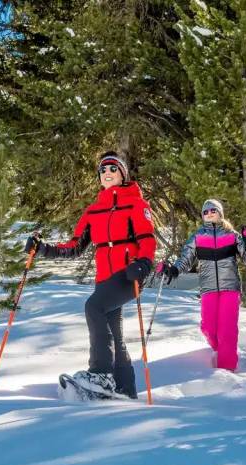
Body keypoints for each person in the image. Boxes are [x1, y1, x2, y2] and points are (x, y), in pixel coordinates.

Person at [24, 151, 156, 398]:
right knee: (114, 331)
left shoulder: (136, 204)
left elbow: (147, 239)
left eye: (113, 169)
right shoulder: (93, 211)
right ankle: (125, 388)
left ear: (123, 174)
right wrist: (41, 248)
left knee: (93, 307)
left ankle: (101, 373)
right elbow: (73, 247)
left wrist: (144, 263)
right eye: (103, 170)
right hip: (104, 278)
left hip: (128, 275)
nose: (107, 173)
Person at [157, 199, 246, 371]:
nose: (209, 213)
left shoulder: (232, 235)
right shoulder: (197, 237)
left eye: (213, 210)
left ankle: (227, 369)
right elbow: (185, 260)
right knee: (209, 327)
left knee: (227, 330)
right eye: (206, 212)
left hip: (230, 288)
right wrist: (173, 270)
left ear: (220, 213)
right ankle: (221, 350)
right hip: (208, 288)